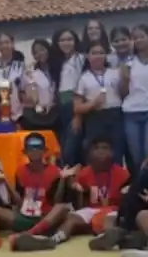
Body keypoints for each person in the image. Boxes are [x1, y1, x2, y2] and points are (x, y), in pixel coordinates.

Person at [12, 137, 129, 251]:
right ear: (90, 153)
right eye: (97, 148)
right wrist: (74, 188)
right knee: (72, 218)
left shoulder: (123, 174)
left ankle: (105, 237)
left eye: (105, 148)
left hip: (112, 210)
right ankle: (52, 240)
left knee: (109, 219)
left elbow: (125, 204)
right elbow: (79, 205)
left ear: (112, 152)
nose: (101, 151)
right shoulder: (83, 174)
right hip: (91, 209)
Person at [0, 132, 67, 251]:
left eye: (38, 147)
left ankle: (29, 235)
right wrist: (5, 182)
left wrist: (62, 180)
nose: (34, 150)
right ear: (25, 151)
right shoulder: (20, 171)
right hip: (25, 216)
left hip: (44, 218)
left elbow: (56, 201)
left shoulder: (54, 171)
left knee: (62, 207)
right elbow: (19, 203)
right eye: (31, 147)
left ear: (44, 150)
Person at [92, 127, 148, 251]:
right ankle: (126, 234)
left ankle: (126, 232)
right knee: (140, 182)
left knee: (126, 209)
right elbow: (138, 185)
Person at [74, 40, 125, 165]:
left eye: (101, 53)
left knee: (116, 151)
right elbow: (77, 107)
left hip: (115, 115)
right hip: (95, 117)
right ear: (87, 56)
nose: (98, 56)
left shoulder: (115, 73)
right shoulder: (83, 78)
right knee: (96, 154)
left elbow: (125, 93)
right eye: (94, 53)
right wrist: (92, 104)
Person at [119, 25, 148, 170]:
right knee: (135, 154)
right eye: (135, 38)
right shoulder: (128, 62)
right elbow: (123, 92)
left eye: (142, 36)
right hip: (131, 112)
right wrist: (124, 78)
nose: (139, 40)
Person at [49, 28, 84, 165]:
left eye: (69, 39)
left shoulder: (81, 59)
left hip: (74, 105)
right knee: (62, 146)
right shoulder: (57, 62)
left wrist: (78, 115)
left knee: (71, 148)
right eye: (62, 40)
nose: (66, 43)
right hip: (60, 107)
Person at [18, 39, 57, 131]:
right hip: (37, 114)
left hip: (56, 113)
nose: (39, 53)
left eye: (42, 50)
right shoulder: (30, 72)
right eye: (36, 52)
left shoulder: (57, 68)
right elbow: (22, 91)